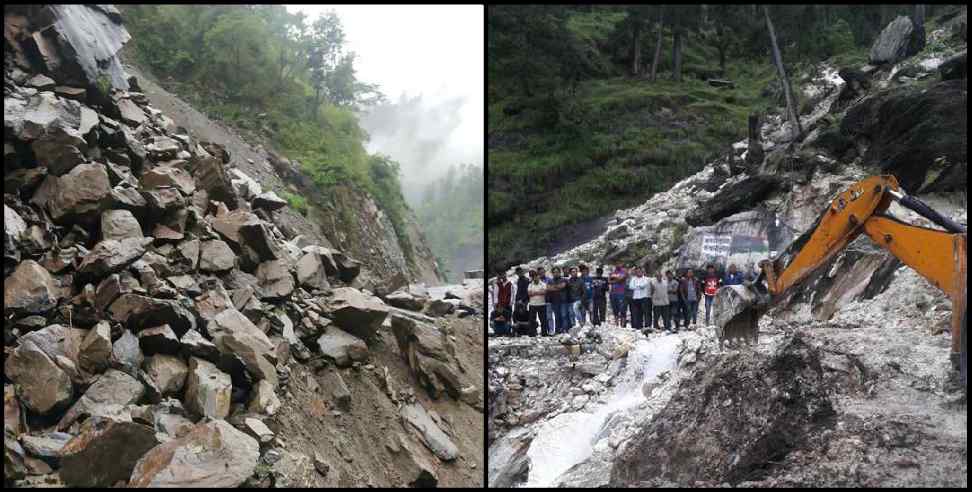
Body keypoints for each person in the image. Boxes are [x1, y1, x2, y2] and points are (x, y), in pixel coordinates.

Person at [548, 267, 569, 335]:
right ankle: (557, 330)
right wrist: (558, 287)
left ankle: (565, 330)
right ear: (552, 273)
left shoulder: (564, 279)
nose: (556, 273)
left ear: (560, 272)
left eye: (557, 272)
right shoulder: (550, 280)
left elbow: (562, 286)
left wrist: (554, 287)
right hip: (554, 301)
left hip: (563, 301)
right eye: (554, 272)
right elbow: (549, 288)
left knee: (564, 316)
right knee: (557, 316)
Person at [526, 270, 548, 336]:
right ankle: (532, 333)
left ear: (539, 276)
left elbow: (544, 292)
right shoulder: (530, 284)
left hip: (542, 304)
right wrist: (539, 292)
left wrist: (534, 293)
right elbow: (529, 294)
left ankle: (544, 333)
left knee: (543, 319)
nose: (535, 278)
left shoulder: (543, 284)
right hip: (533, 304)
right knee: (532, 320)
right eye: (534, 277)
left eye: (537, 276)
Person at [538, 266, 554, 334]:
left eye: (543, 272)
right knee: (542, 318)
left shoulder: (549, 280)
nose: (542, 273)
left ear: (545, 272)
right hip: (539, 301)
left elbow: (552, 289)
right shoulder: (537, 280)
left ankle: (551, 330)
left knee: (549, 317)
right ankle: (544, 331)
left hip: (548, 300)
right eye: (540, 272)